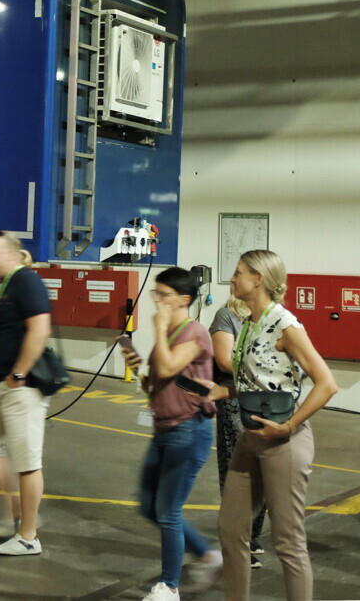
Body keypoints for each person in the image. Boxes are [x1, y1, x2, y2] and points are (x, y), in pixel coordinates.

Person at [201, 250, 338, 601]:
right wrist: (223, 389)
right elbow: (258, 381)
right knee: (231, 529)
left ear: (258, 278)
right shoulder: (247, 322)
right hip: (251, 437)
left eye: (238, 272)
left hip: (284, 441)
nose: (232, 278)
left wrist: (290, 425)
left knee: (288, 541)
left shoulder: (286, 325)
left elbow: (326, 384)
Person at [118, 267, 222, 601]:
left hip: (188, 431)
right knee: (149, 505)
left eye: (163, 295)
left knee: (168, 511)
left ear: (184, 300)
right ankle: (207, 555)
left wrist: (160, 330)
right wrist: (139, 370)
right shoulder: (173, 331)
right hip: (164, 428)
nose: (157, 302)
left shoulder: (195, 333)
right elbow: (160, 380)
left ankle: (169, 586)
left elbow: (167, 366)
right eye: (156, 294)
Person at [0, 231, 50, 556]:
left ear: (13, 254)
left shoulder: (26, 281)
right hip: (0, 386)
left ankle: (28, 536)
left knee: (27, 463)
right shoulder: (9, 283)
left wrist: (19, 373)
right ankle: (13, 512)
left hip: (21, 388)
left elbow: (40, 329)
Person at [209, 297, 268, 569]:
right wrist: (264, 369)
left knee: (264, 470)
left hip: (266, 400)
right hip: (235, 401)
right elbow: (224, 362)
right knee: (237, 471)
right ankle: (238, 541)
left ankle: (252, 537)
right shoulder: (226, 316)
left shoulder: (271, 316)